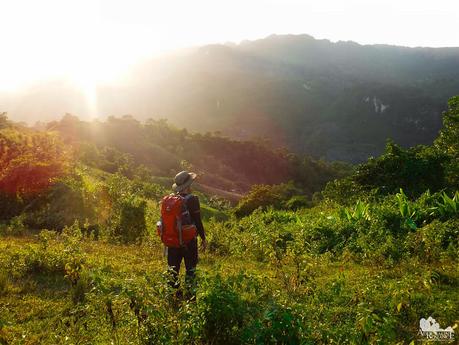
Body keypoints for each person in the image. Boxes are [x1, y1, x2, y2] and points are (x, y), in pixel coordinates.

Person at [167, 170, 206, 299]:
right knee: (190, 269)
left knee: (173, 270)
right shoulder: (193, 199)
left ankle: (174, 296)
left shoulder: (171, 199)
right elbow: (198, 220)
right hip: (189, 240)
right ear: (189, 185)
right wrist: (203, 238)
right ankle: (190, 297)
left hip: (173, 240)